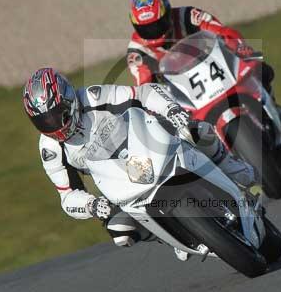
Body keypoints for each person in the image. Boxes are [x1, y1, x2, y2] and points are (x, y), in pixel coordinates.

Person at [22, 67, 257, 261]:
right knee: (120, 231)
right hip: (119, 182)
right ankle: (171, 236)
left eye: (56, 114)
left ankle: (235, 171)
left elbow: (143, 93)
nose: (54, 125)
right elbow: (67, 196)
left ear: (69, 99)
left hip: (143, 141)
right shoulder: (50, 148)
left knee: (198, 132)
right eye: (43, 121)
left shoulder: (93, 97)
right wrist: (92, 205)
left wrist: (172, 110)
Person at [126, 0, 281, 129]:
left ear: (169, 14)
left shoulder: (188, 15)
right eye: (146, 29)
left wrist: (242, 49)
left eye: (158, 24)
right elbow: (144, 85)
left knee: (260, 69)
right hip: (182, 91)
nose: (154, 31)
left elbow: (222, 31)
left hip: (213, 66)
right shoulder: (136, 51)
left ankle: (272, 108)